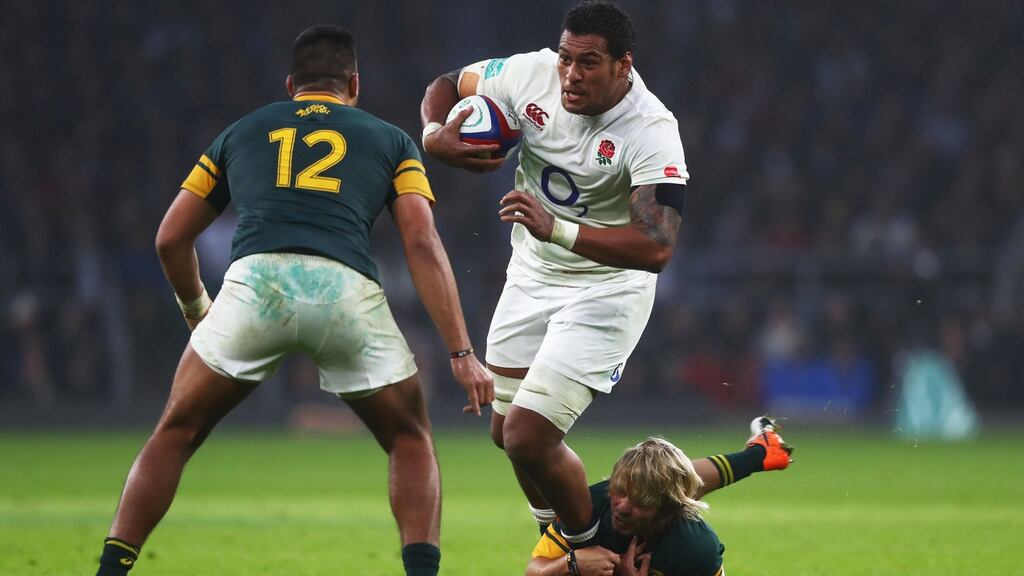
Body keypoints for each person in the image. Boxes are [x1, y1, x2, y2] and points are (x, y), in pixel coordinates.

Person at [94, 25, 493, 576]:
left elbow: (169, 238)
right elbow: (421, 240)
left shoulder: (241, 132)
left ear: (290, 85)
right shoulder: (392, 140)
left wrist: (197, 312)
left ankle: (111, 570)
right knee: (408, 437)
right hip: (344, 291)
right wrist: (460, 352)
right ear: (354, 83)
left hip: (255, 287)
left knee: (176, 432)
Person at [420, 0, 690, 546]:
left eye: (588, 63)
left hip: (608, 289)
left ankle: (588, 551)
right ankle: (565, 541)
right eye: (566, 57)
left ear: (623, 65)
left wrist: (557, 229)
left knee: (526, 436)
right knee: (505, 432)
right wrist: (433, 135)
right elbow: (448, 83)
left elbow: (657, 246)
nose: (570, 74)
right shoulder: (530, 74)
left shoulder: (651, 129)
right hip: (533, 275)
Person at [526, 417, 793, 576]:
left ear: (668, 510)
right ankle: (762, 453)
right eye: (619, 490)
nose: (622, 507)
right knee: (665, 479)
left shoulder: (695, 549)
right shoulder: (594, 505)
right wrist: (570, 564)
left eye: (640, 502)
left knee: (671, 481)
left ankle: (762, 452)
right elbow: (534, 570)